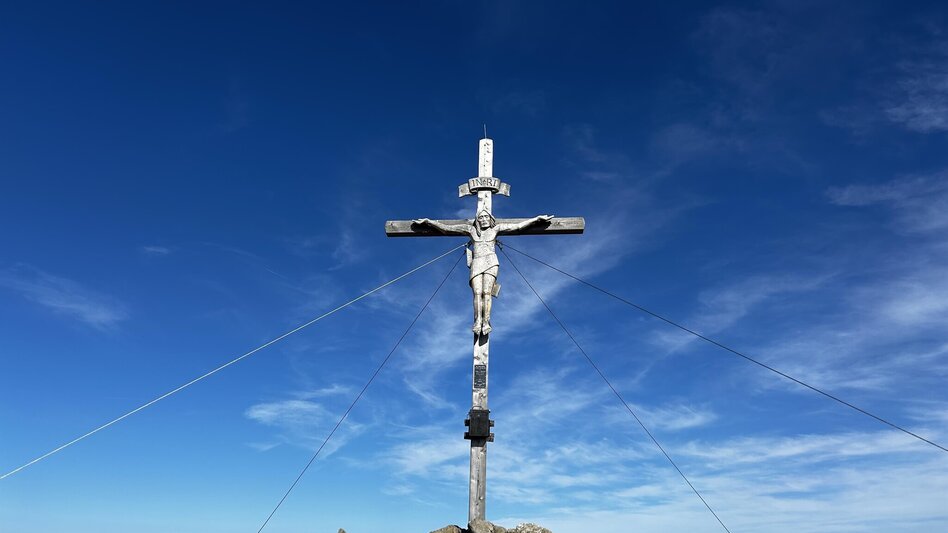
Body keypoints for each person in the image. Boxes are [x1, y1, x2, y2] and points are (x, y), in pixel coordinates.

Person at [413, 212, 553, 335]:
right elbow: (448, 228)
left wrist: (535, 219)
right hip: (477, 262)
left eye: (486, 217)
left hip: (491, 261)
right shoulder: (471, 230)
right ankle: (477, 320)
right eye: (481, 217)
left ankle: (486, 321)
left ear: (491, 219)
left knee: (487, 292)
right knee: (477, 293)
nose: (484, 219)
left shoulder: (496, 229)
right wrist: (429, 222)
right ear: (477, 220)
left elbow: (517, 226)